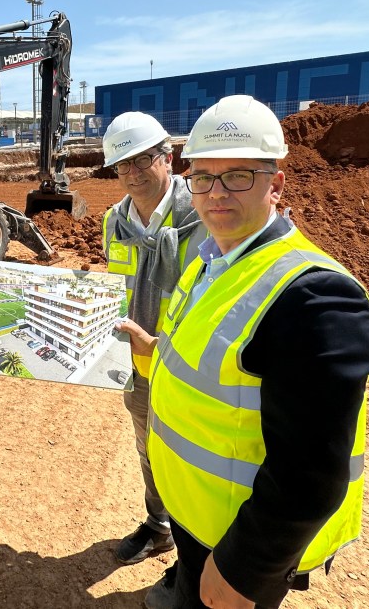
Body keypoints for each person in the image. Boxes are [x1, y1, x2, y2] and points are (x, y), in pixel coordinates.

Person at [126, 95, 369, 608]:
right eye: (203, 177)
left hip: (236, 539)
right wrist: (152, 351)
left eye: (238, 176)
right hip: (195, 518)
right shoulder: (207, 264)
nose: (216, 193)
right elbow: (215, 367)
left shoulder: (314, 295)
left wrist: (244, 571)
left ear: (276, 184)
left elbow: (310, 472)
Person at [101, 112, 207, 565]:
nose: (132, 172)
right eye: (122, 164)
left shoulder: (202, 214)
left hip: (192, 366)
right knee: (149, 449)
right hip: (138, 366)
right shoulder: (114, 221)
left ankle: (196, 551)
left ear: (168, 157)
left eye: (142, 159)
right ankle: (160, 525)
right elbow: (113, 288)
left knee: (195, 456)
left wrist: (164, 347)